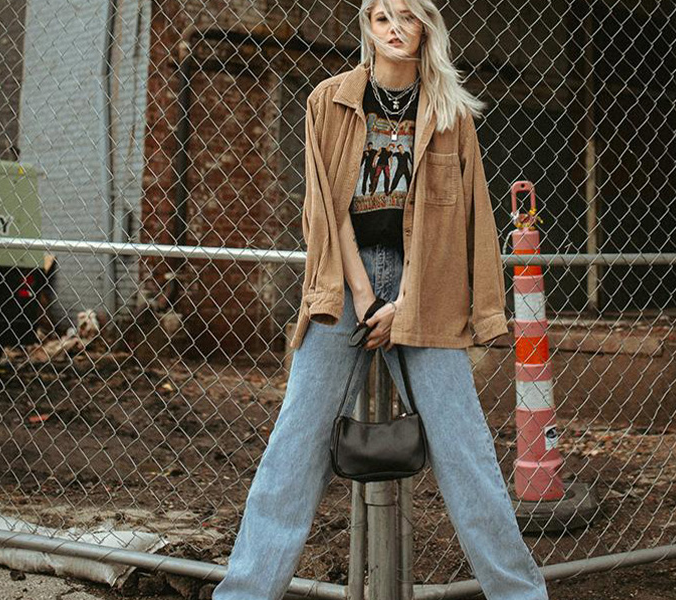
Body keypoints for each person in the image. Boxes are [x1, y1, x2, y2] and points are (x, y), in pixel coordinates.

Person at [212, 0, 550, 598]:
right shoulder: (330, 100)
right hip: (346, 285)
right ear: (368, 28)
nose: (395, 29)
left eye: (409, 17)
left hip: (429, 287)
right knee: (294, 447)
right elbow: (325, 209)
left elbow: (463, 221)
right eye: (383, 17)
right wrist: (368, 299)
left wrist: (409, 304)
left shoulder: (449, 114)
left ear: (427, 28)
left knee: (467, 452)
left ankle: (522, 595)